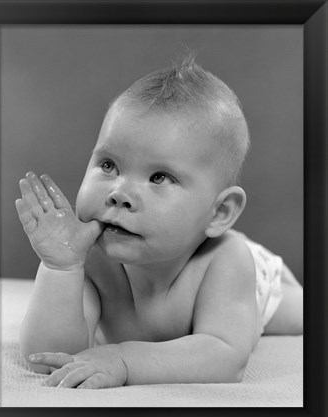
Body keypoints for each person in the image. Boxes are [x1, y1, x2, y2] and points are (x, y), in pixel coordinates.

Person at [15, 55, 303, 389]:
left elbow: (225, 356)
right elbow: (50, 356)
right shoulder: (90, 258)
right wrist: (60, 270)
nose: (119, 193)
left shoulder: (224, 260)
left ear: (219, 212)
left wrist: (124, 360)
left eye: (159, 177)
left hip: (254, 284)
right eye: (109, 165)